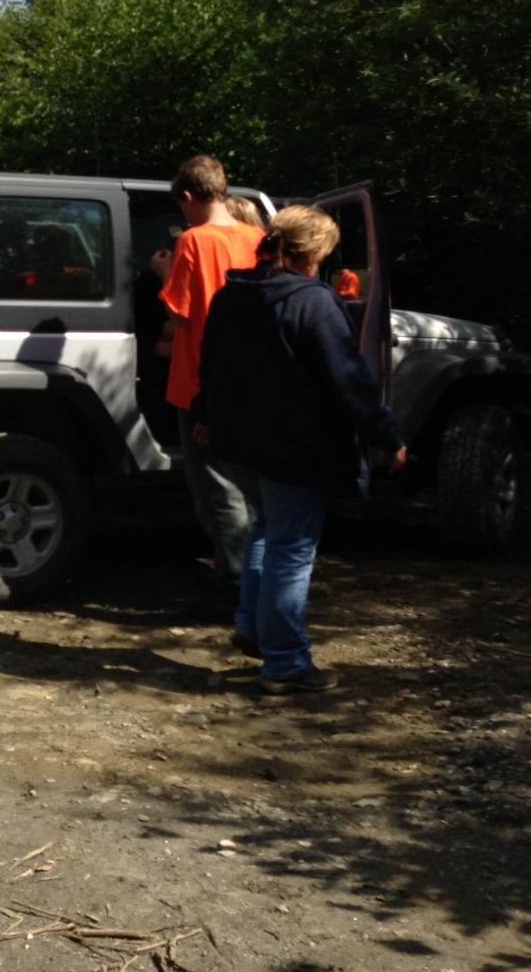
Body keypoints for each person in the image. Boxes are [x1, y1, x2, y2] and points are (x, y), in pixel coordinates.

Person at [194, 205, 406, 693]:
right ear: (312, 253)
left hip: (235, 444)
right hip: (291, 449)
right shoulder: (314, 302)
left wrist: (206, 415)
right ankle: (286, 663)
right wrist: (387, 436)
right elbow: (349, 382)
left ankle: (252, 626)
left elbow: (212, 364)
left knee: (267, 530)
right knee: (291, 545)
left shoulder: (232, 295)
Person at [151, 157, 264, 598]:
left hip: (198, 381)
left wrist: (162, 273)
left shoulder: (194, 242)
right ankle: (250, 573)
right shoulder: (258, 238)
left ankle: (233, 581)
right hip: (249, 378)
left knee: (215, 487)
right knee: (249, 483)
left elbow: (177, 315)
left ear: (188, 197)